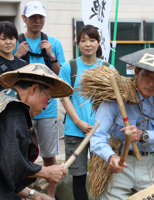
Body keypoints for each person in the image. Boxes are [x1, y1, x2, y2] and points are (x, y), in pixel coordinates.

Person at [89, 48, 154, 200]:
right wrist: (110, 157)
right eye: (147, 75)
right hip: (120, 163)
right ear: (136, 72)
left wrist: (144, 135)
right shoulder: (115, 96)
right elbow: (97, 136)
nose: (151, 83)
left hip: (152, 164)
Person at [0, 63, 73, 200]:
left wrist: (34, 195)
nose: (45, 107)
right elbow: (11, 164)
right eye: (48, 99)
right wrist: (46, 172)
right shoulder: (14, 110)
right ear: (33, 89)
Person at [14, 1, 65, 197]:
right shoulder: (15, 43)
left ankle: (49, 196)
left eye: (40, 17)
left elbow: (61, 77)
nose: (37, 21)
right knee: (21, 154)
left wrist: (51, 55)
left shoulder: (54, 43)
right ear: (24, 18)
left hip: (47, 109)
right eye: (33, 17)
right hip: (20, 109)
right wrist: (18, 55)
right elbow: (9, 76)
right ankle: (23, 193)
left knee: (49, 155)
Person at [58, 24, 110, 200]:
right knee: (79, 179)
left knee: (100, 177)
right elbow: (64, 97)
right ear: (77, 43)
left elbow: (114, 99)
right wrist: (79, 122)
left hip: (100, 131)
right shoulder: (69, 67)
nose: (88, 44)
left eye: (92, 40)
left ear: (98, 42)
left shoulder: (107, 68)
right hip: (75, 130)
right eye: (83, 40)